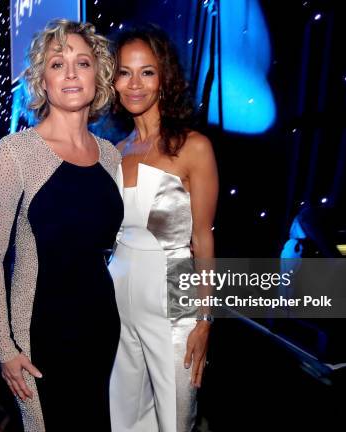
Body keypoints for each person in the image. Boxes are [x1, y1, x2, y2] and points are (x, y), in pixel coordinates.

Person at [0, 19, 122, 431]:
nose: (72, 73)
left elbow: (107, 249)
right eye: (58, 64)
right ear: (42, 79)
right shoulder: (15, 153)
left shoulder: (110, 155)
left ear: (99, 76)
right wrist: (5, 348)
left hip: (100, 327)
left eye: (83, 62)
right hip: (40, 334)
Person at [108, 27, 219, 432]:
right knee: (124, 421)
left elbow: (204, 239)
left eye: (147, 72)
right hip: (119, 309)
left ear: (165, 78)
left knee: (174, 420)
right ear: (113, 80)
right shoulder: (114, 153)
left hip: (175, 309)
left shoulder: (194, 147)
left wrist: (205, 321)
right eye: (124, 72)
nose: (134, 84)